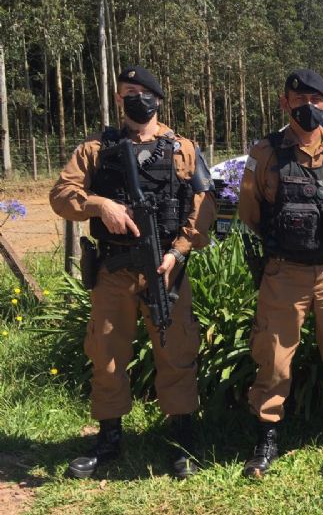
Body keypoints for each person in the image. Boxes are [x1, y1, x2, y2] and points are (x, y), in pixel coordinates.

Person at [50, 65, 217, 479]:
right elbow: (61, 195)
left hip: (165, 269)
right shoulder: (95, 149)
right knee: (106, 354)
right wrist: (99, 205)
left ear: (158, 99)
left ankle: (181, 438)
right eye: (127, 92)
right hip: (113, 269)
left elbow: (204, 204)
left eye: (143, 92)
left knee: (176, 351)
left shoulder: (183, 149)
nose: (135, 99)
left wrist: (178, 251)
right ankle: (108, 439)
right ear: (119, 99)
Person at [237, 68, 323, 477]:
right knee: (275, 358)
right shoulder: (266, 153)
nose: (307, 107)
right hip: (285, 273)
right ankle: (267, 437)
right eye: (298, 101)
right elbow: (250, 213)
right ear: (285, 103)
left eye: (315, 100)